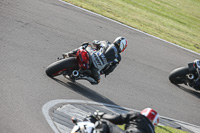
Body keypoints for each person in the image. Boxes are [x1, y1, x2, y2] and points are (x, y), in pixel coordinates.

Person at [62, 37, 128, 84]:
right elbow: (110, 69)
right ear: (123, 48)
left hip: (91, 55)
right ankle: (79, 75)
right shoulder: (118, 58)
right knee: (97, 81)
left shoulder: (106, 42)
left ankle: (69, 53)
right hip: (96, 68)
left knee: (86, 45)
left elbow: (94, 42)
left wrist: (98, 46)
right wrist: (105, 72)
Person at [93, 108, 159, 133]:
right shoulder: (152, 131)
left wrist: (101, 114)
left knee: (103, 122)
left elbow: (116, 119)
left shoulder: (137, 115)